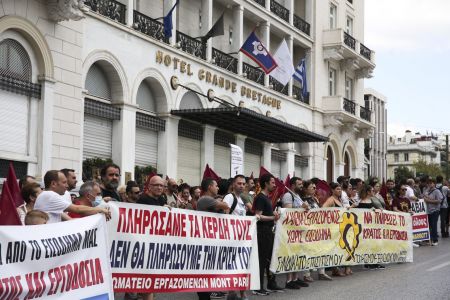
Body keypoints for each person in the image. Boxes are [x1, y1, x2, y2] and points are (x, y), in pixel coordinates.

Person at [34, 170, 110, 223]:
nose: (67, 186)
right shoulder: (49, 195)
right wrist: (100, 210)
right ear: (53, 184)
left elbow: (71, 220)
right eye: (64, 182)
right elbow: (76, 208)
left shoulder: (48, 197)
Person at [136, 175, 167, 300]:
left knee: (150, 285)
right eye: (156, 185)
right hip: (145, 245)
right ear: (149, 187)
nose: (159, 188)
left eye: (161, 185)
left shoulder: (160, 200)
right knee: (148, 284)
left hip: (155, 245)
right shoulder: (143, 199)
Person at [253, 174, 283, 296]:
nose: (274, 185)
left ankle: (271, 283)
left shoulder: (267, 197)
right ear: (266, 184)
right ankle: (257, 287)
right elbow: (258, 216)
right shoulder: (260, 197)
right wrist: (272, 217)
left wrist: (273, 214)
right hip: (262, 232)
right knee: (262, 260)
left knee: (270, 259)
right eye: (272, 183)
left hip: (268, 231)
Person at [196, 196, 231, 300]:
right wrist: (223, 205)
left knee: (210, 272)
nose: (217, 187)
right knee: (203, 273)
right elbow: (226, 206)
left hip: (213, 244)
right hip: (204, 243)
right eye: (215, 185)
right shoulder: (204, 200)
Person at [280, 176, 310, 289]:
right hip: (290, 230)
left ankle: (295, 278)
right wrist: (302, 208)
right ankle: (289, 280)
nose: (302, 186)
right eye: (299, 184)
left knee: (298, 254)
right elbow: (288, 212)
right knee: (290, 254)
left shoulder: (297, 196)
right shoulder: (288, 195)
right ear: (293, 185)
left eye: (302, 184)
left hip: (299, 230)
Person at [301, 180, 332, 281]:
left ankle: (321, 272)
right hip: (308, 229)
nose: (315, 189)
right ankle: (306, 274)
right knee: (308, 251)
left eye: (315, 187)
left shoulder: (314, 199)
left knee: (320, 250)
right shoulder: (302, 200)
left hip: (317, 229)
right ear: (306, 189)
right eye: (312, 187)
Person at [322, 182, 347, 277]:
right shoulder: (331, 200)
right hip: (333, 228)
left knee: (338, 247)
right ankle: (335, 269)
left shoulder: (339, 200)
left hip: (339, 227)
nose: (339, 191)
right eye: (337, 189)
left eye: (340, 189)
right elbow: (323, 209)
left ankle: (336, 268)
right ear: (332, 190)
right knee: (334, 248)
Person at [424, 178, 443, 246]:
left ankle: (435, 240)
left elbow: (439, 200)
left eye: (431, 183)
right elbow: (423, 197)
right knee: (430, 226)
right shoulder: (426, 191)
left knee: (434, 225)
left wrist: (429, 201)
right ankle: (430, 239)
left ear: (434, 184)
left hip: (435, 210)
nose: (430, 184)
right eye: (429, 183)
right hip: (428, 211)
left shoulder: (437, 191)